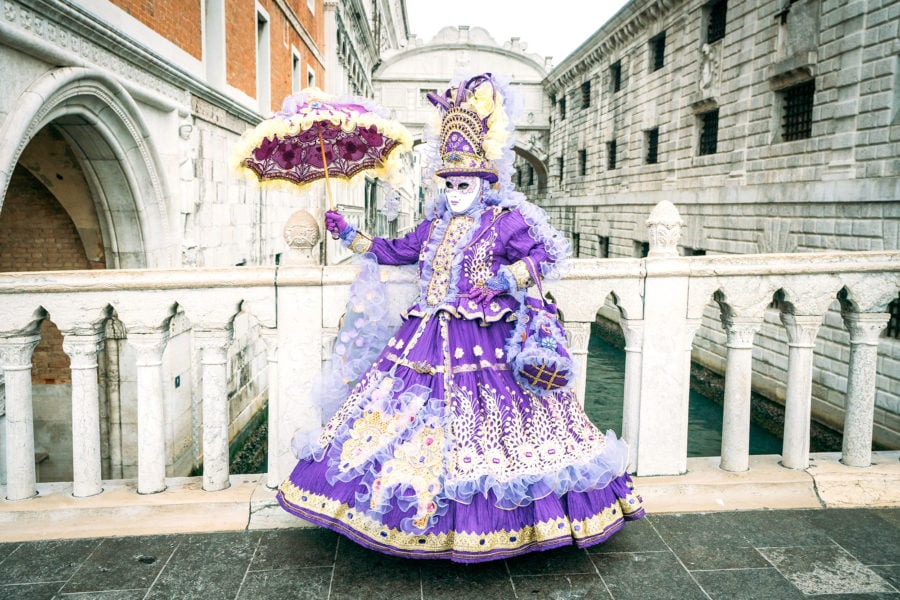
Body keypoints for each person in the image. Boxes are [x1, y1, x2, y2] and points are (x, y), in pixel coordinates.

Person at [277, 73, 644, 563]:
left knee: (496, 434)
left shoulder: (505, 220)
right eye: (448, 184)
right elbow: (393, 251)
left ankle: (503, 525)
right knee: (396, 423)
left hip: (485, 337)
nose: (453, 192)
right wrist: (347, 232)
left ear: (485, 182)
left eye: (463, 184)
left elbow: (548, 256)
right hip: (423, 336)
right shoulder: (433, 224)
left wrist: (503, 279)